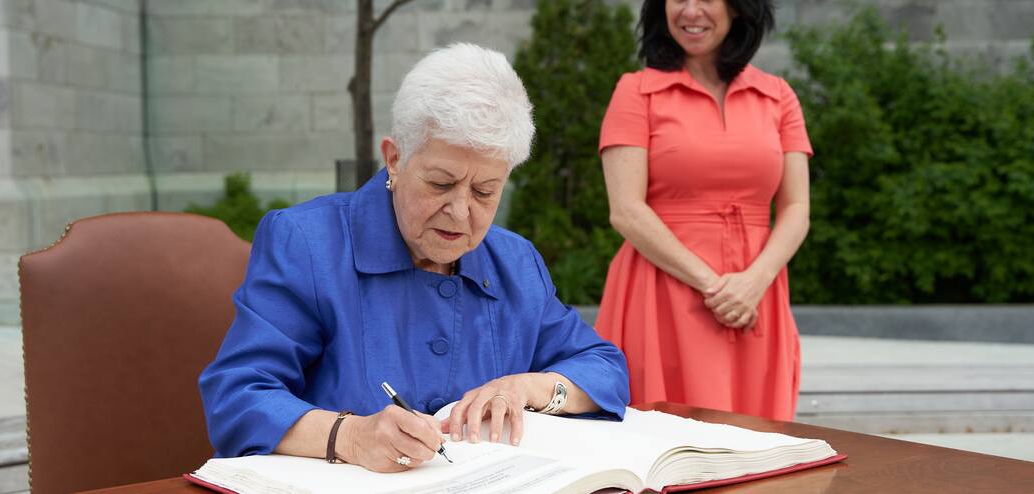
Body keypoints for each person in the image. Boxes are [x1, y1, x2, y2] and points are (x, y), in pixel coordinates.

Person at [199, 43, 629, 473]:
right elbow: (237, 395)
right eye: (441, 184)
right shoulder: (309, 244)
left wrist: (527, 388)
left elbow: (605, 369)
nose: (461, 212)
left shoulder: (515, 262)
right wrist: (348, 436)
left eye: (484, 191)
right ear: (395, 159)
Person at [594, 0, 812, 421]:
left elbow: (797, 207)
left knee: (761, 444)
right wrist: (715, 286)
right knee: (667, 441)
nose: (691, 10)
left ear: (738, 8)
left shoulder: (778, 96)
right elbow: (625, 210)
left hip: (756, 294)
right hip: (663, 291)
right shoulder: (636, 91)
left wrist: (753, 282)